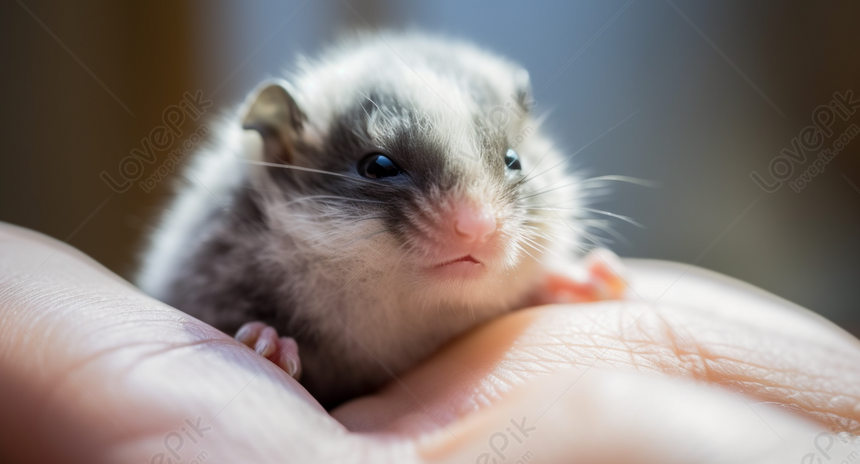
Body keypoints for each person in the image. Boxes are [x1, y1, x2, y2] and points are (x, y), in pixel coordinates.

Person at [1, 222, 858, 463]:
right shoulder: (243, 249)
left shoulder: (524, 218)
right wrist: (248, 336)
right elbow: (185, 294)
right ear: (286, 151)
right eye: (382, 173)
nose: (474, 228)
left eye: (505, 171)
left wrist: (542, 275)